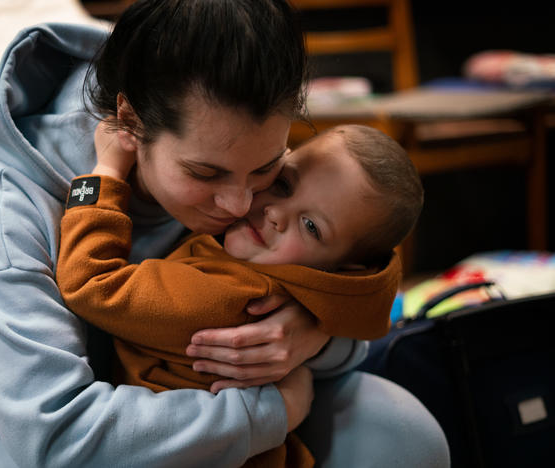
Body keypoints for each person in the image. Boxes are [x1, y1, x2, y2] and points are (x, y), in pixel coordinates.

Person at [0, 1, 450, 466]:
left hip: (202, 400)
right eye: (206, 175)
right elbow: (58, 439)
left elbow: (357, 295)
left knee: (402, 433)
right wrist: (273, 409)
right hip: (21, 444)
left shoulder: (255, 180)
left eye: (269, 168)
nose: (242, 205)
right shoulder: (4, 207)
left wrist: (306, 335)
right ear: (129, 121)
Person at [55, 123, 424, 467]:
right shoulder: (269, 275)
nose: (276, 212)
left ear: (346, 270)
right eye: (282, 184)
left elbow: (92, 284)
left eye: (311, 226)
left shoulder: (228, 296)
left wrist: (104, 174)